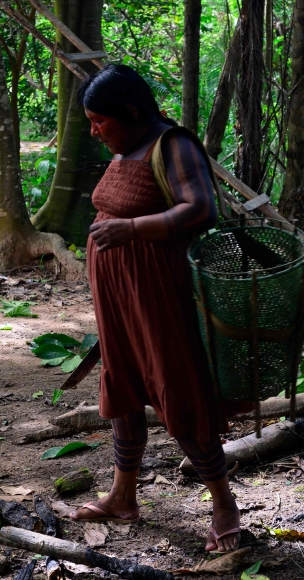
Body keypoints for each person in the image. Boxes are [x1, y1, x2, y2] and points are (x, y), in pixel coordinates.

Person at [67, 64, 242, 553]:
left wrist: (131, 230)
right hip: (119, 301)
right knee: (123, 386)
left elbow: (199, 208)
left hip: (160, 299)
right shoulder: (124, 150)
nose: (95, 130)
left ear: (130, 110)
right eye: (90, 121)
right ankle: (123, 495)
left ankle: (224, 504)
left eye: (100, 120)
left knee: (176, 391)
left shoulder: (173, 145)